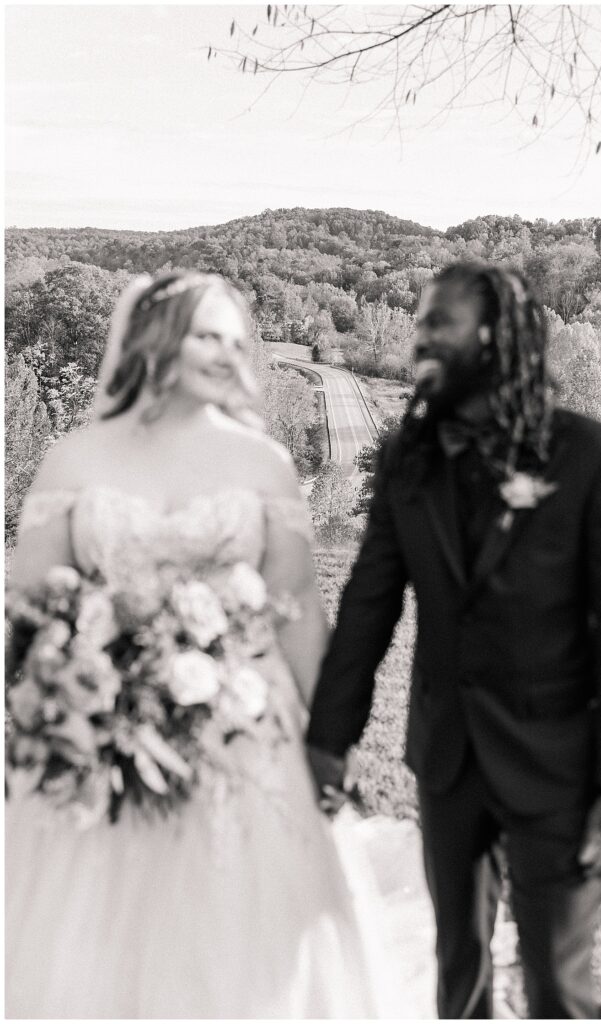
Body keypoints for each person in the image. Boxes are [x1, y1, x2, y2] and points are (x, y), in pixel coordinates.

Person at [6, 271, 396, 1018]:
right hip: (99, 720)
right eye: (205, 335)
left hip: (246, 730)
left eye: (233, 337)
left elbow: (299, 614)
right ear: (156, 342)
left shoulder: (263, 462)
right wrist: (64, 687)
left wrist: (329, 738)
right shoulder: (76, 457)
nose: (227, 351)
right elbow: (30, 603)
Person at [306, 261, 601, 1019]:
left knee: (559, 989)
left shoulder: (592, 457)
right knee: (457, 979)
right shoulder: (411, 453)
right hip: (447, 760)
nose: (419, 338)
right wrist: (328, 741)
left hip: (560, 766)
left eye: (439, 322)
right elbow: (370, 601)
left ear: (495, 335)